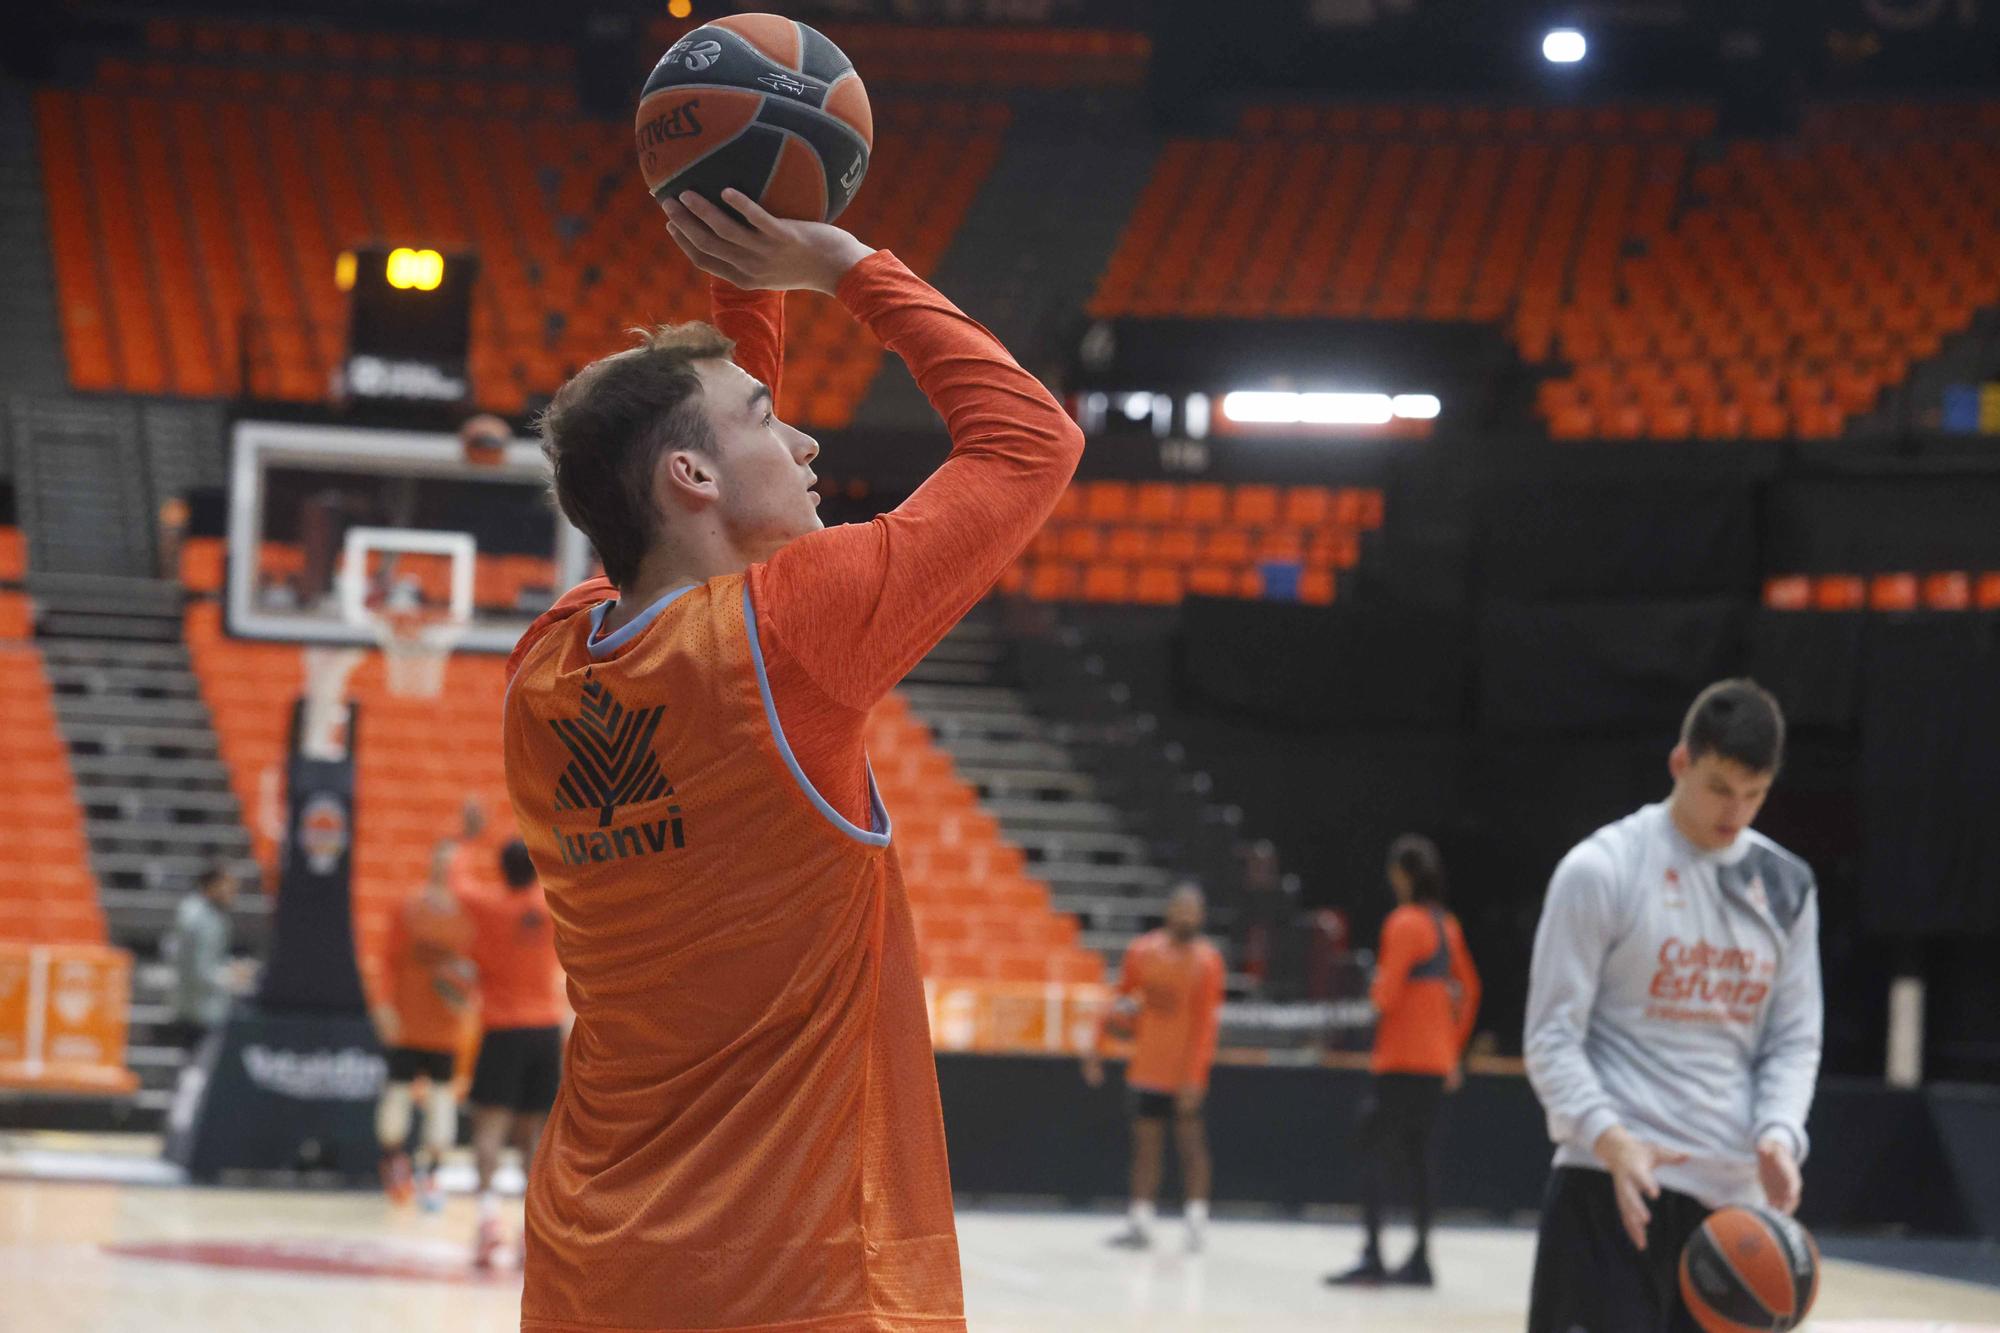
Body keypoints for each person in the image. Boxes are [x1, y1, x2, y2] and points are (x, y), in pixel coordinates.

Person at [501, 186, 1083, 1331]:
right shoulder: (786, 635)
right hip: (785, 1279)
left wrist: (741, 282)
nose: (806, 438)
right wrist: (850, 264)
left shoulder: (546, 660)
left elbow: (687, 528)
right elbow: (1031, 441)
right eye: (771, 419)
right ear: (693, 479)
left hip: (589, 1267)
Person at [1524, 679, 1822, 1333]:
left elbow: (1794, 1039)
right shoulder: (1601, 869)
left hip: (1731, 1214)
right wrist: (1610, 1136)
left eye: (1755, 794)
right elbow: (1549, 1037)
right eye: (1720, 787)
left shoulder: (1787, 886)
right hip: (1609, 1187)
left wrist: (1778, 1132)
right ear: (1680, 762)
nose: (1736, 812)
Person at [1327, 834, 1480, 1288]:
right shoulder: (1446, 925)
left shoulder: (1404, 923)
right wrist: (1453, 1047)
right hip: (1435, 1064)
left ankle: (1373, 1254)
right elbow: (1469, 989)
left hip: (1398, 1060)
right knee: (1421, 1162)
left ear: (1404, 874)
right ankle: (1421, 1259)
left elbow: (1386, 995)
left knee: (1371, 1150)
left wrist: (1371, 995)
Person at [1084, 883, 1227, 1253]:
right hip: (1147, 1067)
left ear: (1202, 916)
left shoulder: (1208, 962)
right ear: (1169, 912)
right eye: (1181, 909)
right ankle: (1141, 1221)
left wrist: (1195, 1077)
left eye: (1193, 911)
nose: (1186, 917)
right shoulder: (1143, 952)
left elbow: (1205, 1025)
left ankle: (1196, 1222)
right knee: (1146, 1148)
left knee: (1191, 1147)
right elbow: (1122, 1001)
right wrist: (1100, 1042)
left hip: (1184, 1075)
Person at [456, 838, 565, 1269]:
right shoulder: (551, 905)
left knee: (489, 1130)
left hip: (501, 1030)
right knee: (535, 1137)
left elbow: (456, 882)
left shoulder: (487, 906)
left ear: (501, 870)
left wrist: (467, 838)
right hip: (544, 1030)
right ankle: (530, 1235)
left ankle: (487, 1224)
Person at [372, 840, 475, 1211]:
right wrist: (383, 1003)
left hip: (446, 1026)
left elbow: (476, 968)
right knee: (397, 1097)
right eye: (444, 862)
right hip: (407, 1021)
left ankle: (431, 1173)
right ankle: (395, 1164)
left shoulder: (469, 912)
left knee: (442, 1104)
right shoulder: (410, 906)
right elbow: (387, 959)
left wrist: (466, 993)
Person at [164, 865, 243, 1049]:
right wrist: (231, 977)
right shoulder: (200, 919)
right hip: (199, 1008)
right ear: (212, 885)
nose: (232, 893)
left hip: (193, 1003)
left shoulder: (199, 912)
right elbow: (201, 970)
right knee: (197, 1067)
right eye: (228, 887)